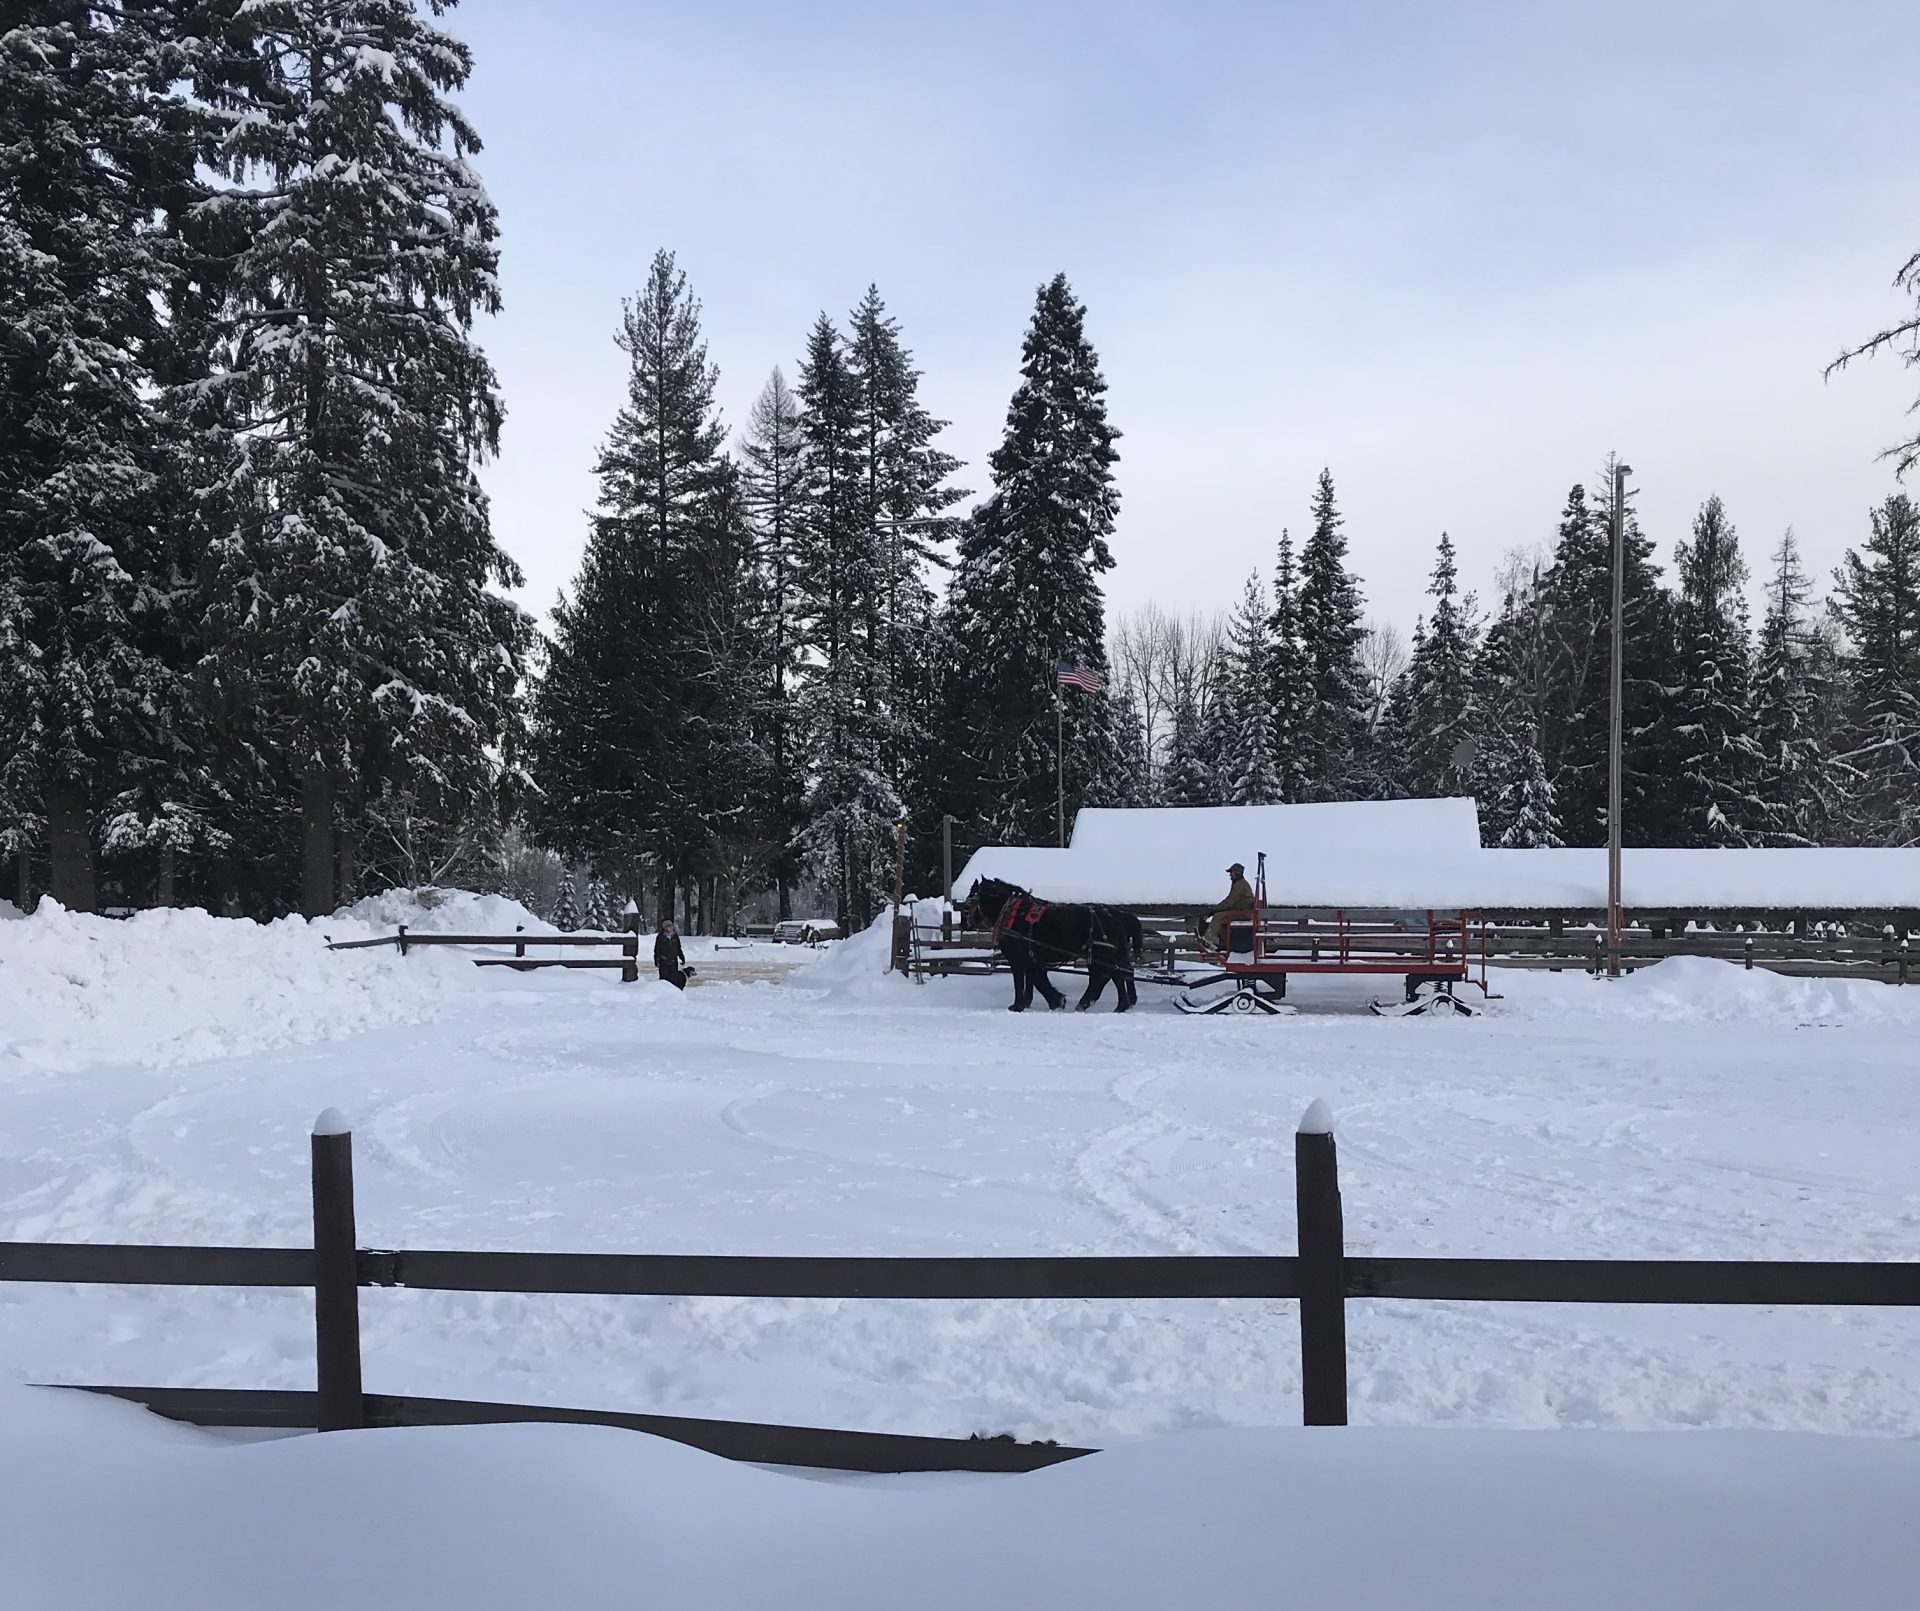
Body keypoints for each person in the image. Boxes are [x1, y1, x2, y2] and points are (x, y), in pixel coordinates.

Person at [1205, 862, 1256, 952]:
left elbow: (1230, 902)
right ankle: (1224, 943)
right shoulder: (1238, 884)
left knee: (1219, 916)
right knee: (1222, 920)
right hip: (1242, 911)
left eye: (1231, 873)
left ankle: (1209, 939)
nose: (1230, 875)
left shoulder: (1240, 885)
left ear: (1237, 873)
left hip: (1244, 913)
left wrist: (1214, 909)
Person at [654, 919, 691, 989]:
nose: (670, 928)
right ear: (665, 928)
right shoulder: (660, 937)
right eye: (668, 927)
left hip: (673, 962)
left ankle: (673, 995)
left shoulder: (675, 936)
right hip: (663, 962)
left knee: (674, 980)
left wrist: (682, 957)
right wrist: (656, 960)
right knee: (664, 981)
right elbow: (657, 949)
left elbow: (678, 948)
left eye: (671, 926)